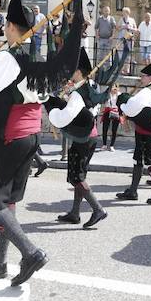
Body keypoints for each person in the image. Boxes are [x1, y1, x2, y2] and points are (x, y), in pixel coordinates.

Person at [0, 0, 84, 286]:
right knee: (9, 200)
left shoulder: (8, 59)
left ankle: (30, 253)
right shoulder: (34, 59)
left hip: (10, 137)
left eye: (5, 27)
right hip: (29, 137)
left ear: (11, 27)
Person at [47, 49, 109, 228]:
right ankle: (75, 213)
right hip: (89, 137)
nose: (70, 73)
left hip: (84, 139)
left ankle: (98, 209)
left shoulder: (78, 93)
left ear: (79, 72)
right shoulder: (88, 88)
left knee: (77, 177)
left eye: (73, 71)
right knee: (78, 176)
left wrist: (53, 111)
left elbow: (66, 116)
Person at [116, 60, 151, 205]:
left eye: (143, 76)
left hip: (149, 132)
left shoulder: (147, 92)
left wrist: (121, 99)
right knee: (138, 160)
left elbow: (132, 107)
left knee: (150, 162)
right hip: (145, 130)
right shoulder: (150, 91)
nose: (141, 78)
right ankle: (133, 191)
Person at [101, 84, 121, 151]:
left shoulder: (119, 95)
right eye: (112, 87)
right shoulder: (107, 94)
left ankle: (112, 145)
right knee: (105, 128)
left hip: (116, 112)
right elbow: (103, 102)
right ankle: (104, 144)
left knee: (114, 129)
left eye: (115, 87)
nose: (113, 88)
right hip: (108, 110)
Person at [117, 7, 137, 74]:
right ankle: (121, 69)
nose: (123, 13)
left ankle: (127, 69)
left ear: (128, 13)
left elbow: (135, 30)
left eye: (124, 12)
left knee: (128, 55)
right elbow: (117, 28)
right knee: (121, 54)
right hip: (122, 39)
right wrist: (123, 27)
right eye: (123, 12)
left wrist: (129, 28)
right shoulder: (121, 19)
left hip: (129, 39)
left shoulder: (132, 20)